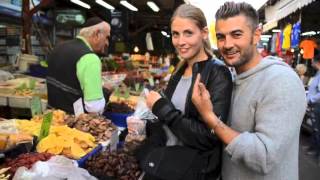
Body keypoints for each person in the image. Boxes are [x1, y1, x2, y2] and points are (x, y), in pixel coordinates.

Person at [191, 2, 307, 180]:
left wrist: (210, 118)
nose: (227, 44)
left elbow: (264, 157)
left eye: (236, 34)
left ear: (256, 35)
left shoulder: (281, 81)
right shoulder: (233, 78)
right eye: (221, 37)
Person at [135, 4, 233, 180]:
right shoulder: (179, 70)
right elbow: (168, 118)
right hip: (168, 163)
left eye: (188, 33)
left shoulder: (218, 73)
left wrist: (161, 107)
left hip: (192, 170)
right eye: (175, 34)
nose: (180, 42)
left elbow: (209, 136)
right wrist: (143, 120)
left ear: (203, 33)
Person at [47, 17, 111, 114]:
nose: (107, 43)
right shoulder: (90, 58)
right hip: (72, 124)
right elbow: (95, 108)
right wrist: (106, 90)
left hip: (51, 117)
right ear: (97, 34)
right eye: (107, 37)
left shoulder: (59, 47)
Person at [305, 54, 320, 164]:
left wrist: (311, 100)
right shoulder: (318, 74)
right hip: (314, 105)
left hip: (317, 106)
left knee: (317, 129)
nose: (311, 63)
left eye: (312, 61)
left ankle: (317, 153)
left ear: (317, 62)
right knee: (315, 128)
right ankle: (313, 149)